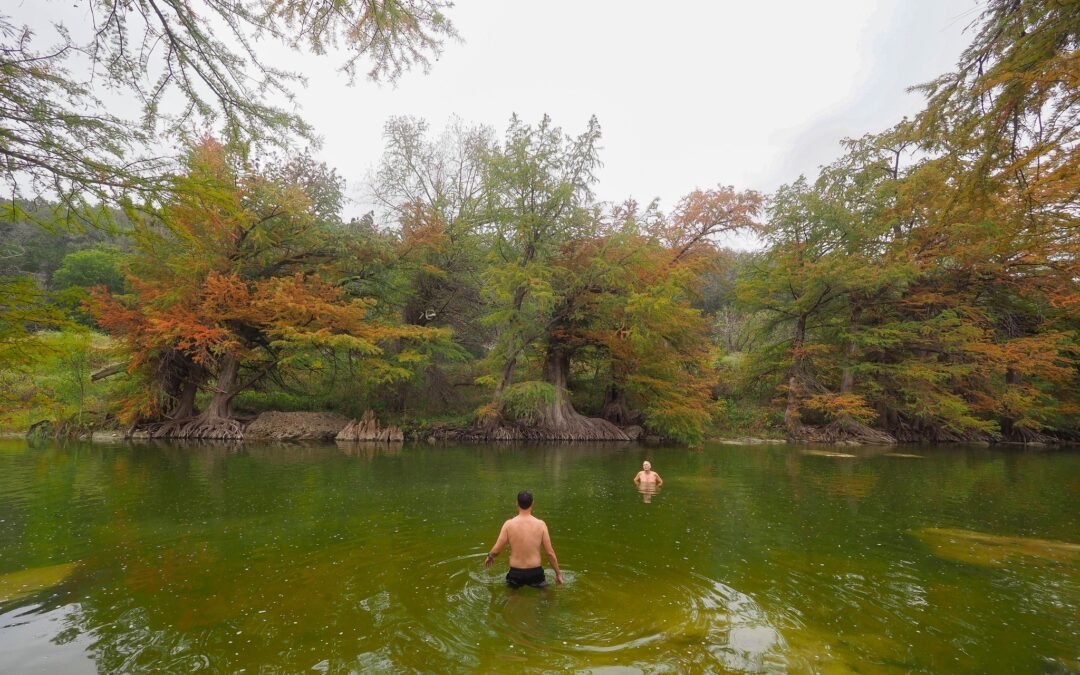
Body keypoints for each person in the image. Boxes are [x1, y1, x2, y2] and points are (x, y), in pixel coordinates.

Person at [484, 490, 564, 587]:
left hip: (515, 573)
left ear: (517, 503)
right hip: (536, 573)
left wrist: (490, 556)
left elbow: (497, 550)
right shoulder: (541, 525)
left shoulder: (509, 524)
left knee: (513, 599)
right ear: (532, 503)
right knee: (543, 597)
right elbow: (550, 553)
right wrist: (558, 574)